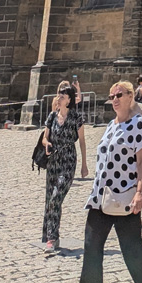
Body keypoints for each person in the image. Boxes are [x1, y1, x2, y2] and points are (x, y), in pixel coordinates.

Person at [74, 79, 142, 283]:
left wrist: (140, 193)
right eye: (112, 96)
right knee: (91, 250)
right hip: (101, 197)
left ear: (130, 97)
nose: (114, 99)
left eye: (119, 95)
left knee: (133, 250)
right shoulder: (111, 125)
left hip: (125, 196)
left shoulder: (139, 123)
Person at [41, 85, 89, 254]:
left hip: (68, 161)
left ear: (69, 99)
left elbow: (82, 141)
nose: (60, 97)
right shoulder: (52, 116)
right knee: (51, 200)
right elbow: (44, 138)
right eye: (59, 94)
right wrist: (46, 144)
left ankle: (52, 238)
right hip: (53, 161)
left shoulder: (76, 117)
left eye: (63, 95)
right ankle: (52, 237)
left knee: (56, 197)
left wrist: (84, 165)